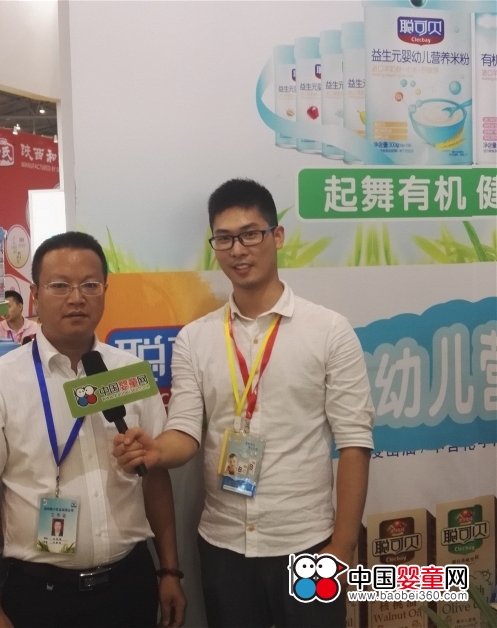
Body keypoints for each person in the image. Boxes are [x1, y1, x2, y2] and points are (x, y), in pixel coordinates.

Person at [114, 179, 375, 628]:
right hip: (224, 545)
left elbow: (355, 443)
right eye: (224, 238)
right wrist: (156, 451)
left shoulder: (329, 331)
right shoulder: (195, 338)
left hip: (308, 544)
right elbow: (185, 430)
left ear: (277, 236)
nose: (238, 249)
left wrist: (341, 547)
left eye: (250, 234)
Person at [0, 231, 185, 628]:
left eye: (90, 285)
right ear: (35, 295)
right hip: (41, 596)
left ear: (105, 290)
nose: (77, 298)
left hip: (129, 585)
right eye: (60, 286)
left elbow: (155, 479)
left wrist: (170, 570)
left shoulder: (130, 372)